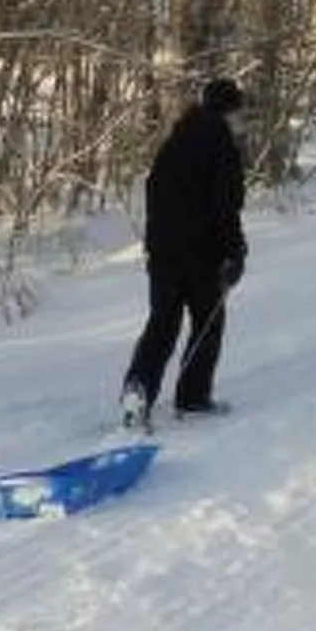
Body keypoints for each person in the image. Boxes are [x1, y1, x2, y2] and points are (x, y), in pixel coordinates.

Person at [121, 78, 249, 429]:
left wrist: (159, 242)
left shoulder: (175, 142)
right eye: (239, 112)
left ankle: (138, 389)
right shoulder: (222, 147)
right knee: (208, 321)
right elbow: (226, 207)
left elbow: (153, 191)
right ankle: (193, 397)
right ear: (228, 111)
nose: (242, 119)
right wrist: (235, 252)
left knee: (162, 322)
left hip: (162, 252)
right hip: (201, 254)